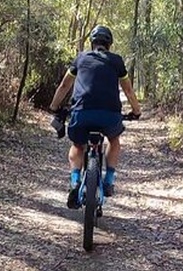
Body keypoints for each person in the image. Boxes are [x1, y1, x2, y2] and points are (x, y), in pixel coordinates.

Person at [49, 26, 142, 208]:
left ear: (92, 43)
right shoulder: (116, 61)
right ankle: (108, 180)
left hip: (81, 114)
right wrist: (136, 111)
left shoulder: (81, 58)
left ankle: (75, 181)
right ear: (109, 44)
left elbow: (64, 85)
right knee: (113, 140)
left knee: (77, 145)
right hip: (110, 116)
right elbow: (128, 90)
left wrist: (54, 106)